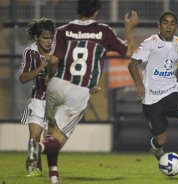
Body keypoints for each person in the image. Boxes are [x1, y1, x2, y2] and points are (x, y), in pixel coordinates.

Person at [25, 0, 139, 183]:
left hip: (56, 84)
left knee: (51, 131)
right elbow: (127, 52)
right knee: (58, 139)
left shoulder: (63, 30)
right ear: (97, 11)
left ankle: (54, 174)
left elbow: (53, 60)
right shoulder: (104, 32)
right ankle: (37, 148)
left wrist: (50, 78)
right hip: (78, 91)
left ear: (77, 9)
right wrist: (129, 28)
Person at [128, 10, 178, 178]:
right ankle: (156, 147)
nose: (169, 26)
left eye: (172, 23)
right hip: (152, 99)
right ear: (159, 25)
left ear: (176, 26)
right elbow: (132, 64)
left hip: (172, 92)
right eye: (165, 23)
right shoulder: (150, 42)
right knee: (161, 139)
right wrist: (138, 84)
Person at [19, 18, 56, 177]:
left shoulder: (59, 51)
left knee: (51, 140)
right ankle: (34, 168)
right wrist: (41, 67)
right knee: (34, 137)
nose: (49, 41)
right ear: (37, 38)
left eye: (51, 38)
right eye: (45, 38)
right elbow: (23, 78)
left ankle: (52, 170)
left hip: (56, 102)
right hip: (37, 99)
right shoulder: (30, 52)